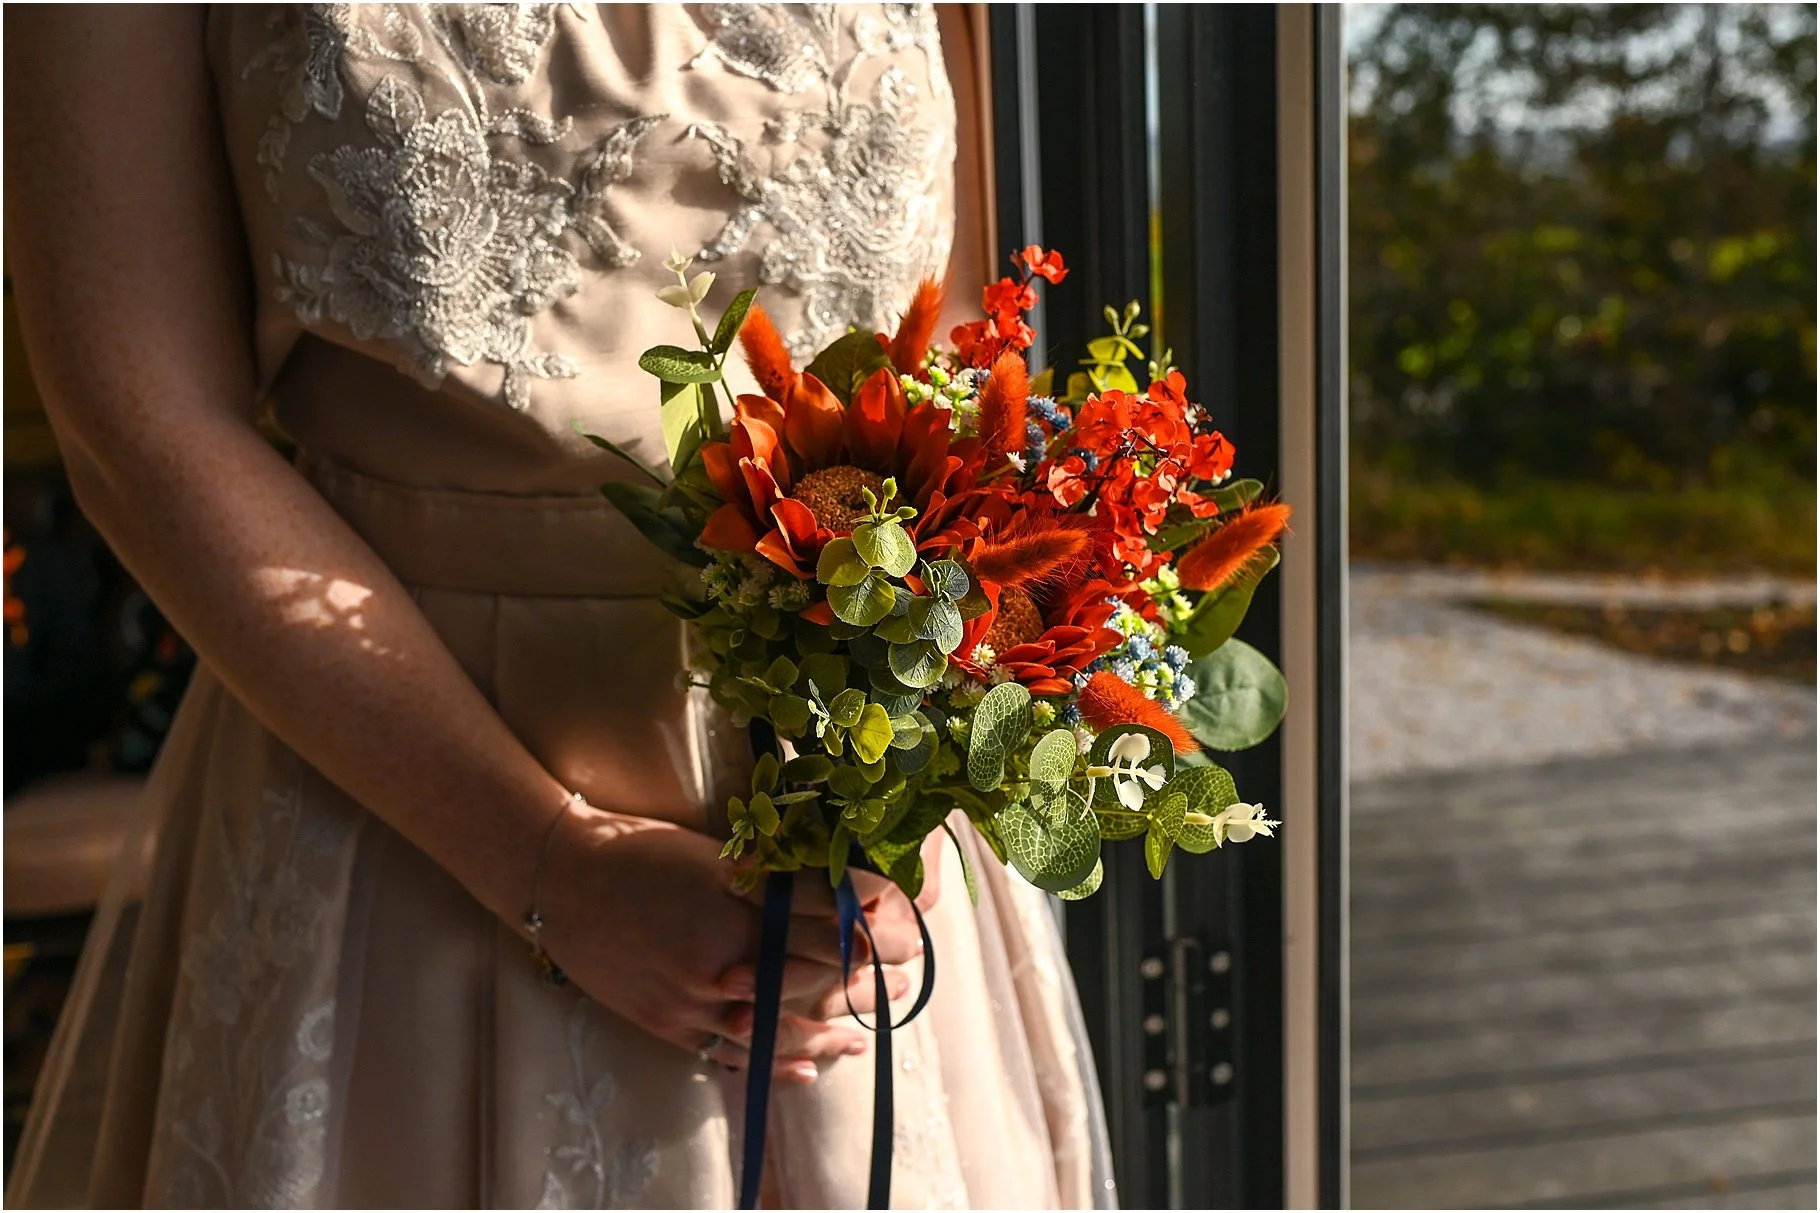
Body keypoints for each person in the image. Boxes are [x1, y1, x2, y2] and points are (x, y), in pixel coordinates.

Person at [4, 5, 1114, 1208]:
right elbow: (140, 423)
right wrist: (547, 864)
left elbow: (960, 348)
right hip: (402, 799)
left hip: (855, 803)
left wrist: (927, 774)